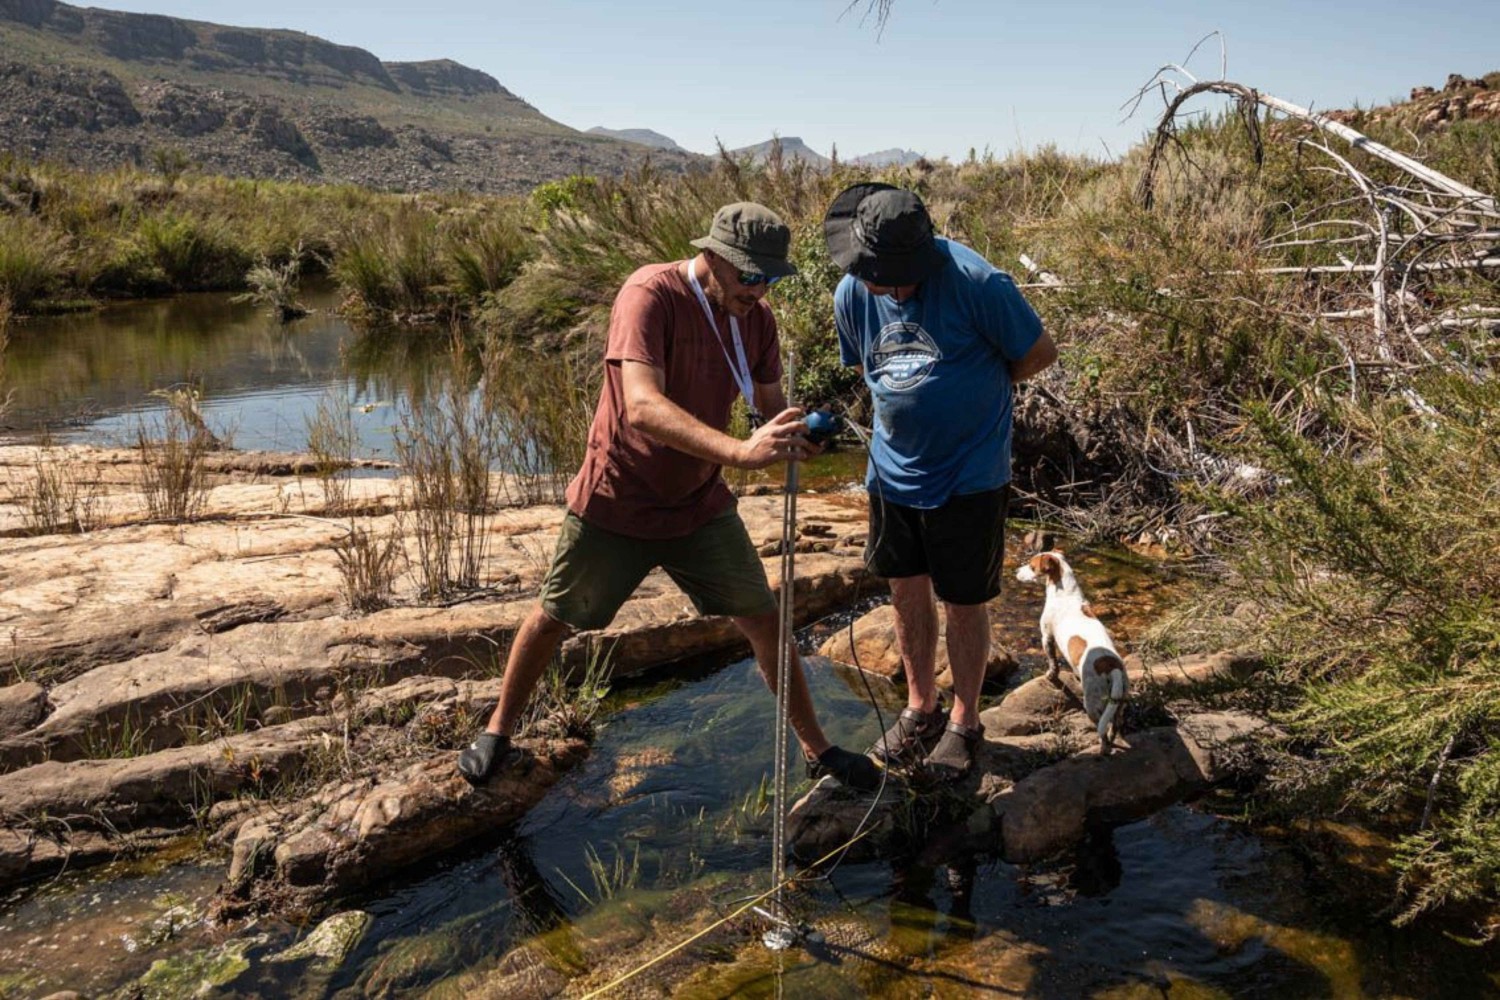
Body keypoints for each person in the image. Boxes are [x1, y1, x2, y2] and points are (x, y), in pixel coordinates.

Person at [458, 202, 879, 792]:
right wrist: (738, 452)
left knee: (763, 619)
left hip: (698, 503)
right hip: (619, 499)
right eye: (749, 276)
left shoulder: (755, 317)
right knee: (556, 617)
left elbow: (766, 400)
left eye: (770, 278)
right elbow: (642, 406)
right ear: (712, 258)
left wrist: (792, 432)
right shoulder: (649, 295)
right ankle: (499, 728)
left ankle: (818, 750)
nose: (759, 290)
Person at [823, 183, 1058, 780]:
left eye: (887, 274)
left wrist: (979, 395)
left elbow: (1037, 352)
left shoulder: (979, 283)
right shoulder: (852, 292)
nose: (875, 281)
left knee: (963, 601)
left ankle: (965, 721)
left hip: (969, 475)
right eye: (869, 270)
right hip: (891, 472)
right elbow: (867, 368)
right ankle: (920, 708)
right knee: (905, 591)